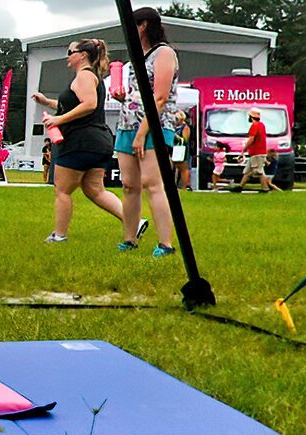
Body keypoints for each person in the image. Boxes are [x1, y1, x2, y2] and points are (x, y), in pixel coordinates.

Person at [32, 38, 125, 243]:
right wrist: (47, 102)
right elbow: (75, 103)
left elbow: (89, 104)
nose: (68, 56)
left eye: (70, 51)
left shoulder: (83, 76)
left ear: (82, 55)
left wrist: (58, 119)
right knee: (95, 190)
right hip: (99, 142)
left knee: (62, 190)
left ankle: (59, 235)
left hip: (79, 142)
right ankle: (134, 222)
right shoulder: (92, 77)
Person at [112, 7, 174, 257]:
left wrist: (142, 133)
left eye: (132, 26)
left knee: (152, 183)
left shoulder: (164, 53)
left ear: (144, 25)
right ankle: (130, 238)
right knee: (129, 185)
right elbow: (136, 94)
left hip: (154, 127)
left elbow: (160, 97)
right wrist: (121, 98)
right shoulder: (134, 58)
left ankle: (165, 243)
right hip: (126, 124)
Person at [237, 107, 280, 192]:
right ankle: (240, 187)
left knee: (258, 171)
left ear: (251, 116)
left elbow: (251, 139)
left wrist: (243, 150)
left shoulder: (254, 125)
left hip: (257, 152)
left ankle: (265, 188)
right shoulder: (262, 125)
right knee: (247, 171)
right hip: (257, 153)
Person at [173, 110, 192, 191]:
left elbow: (185, 140)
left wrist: (175, 136)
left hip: (181, 149)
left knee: (183, 168)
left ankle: (186, 186)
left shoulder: (185, 127)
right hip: (174, 148)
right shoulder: (175, 127)